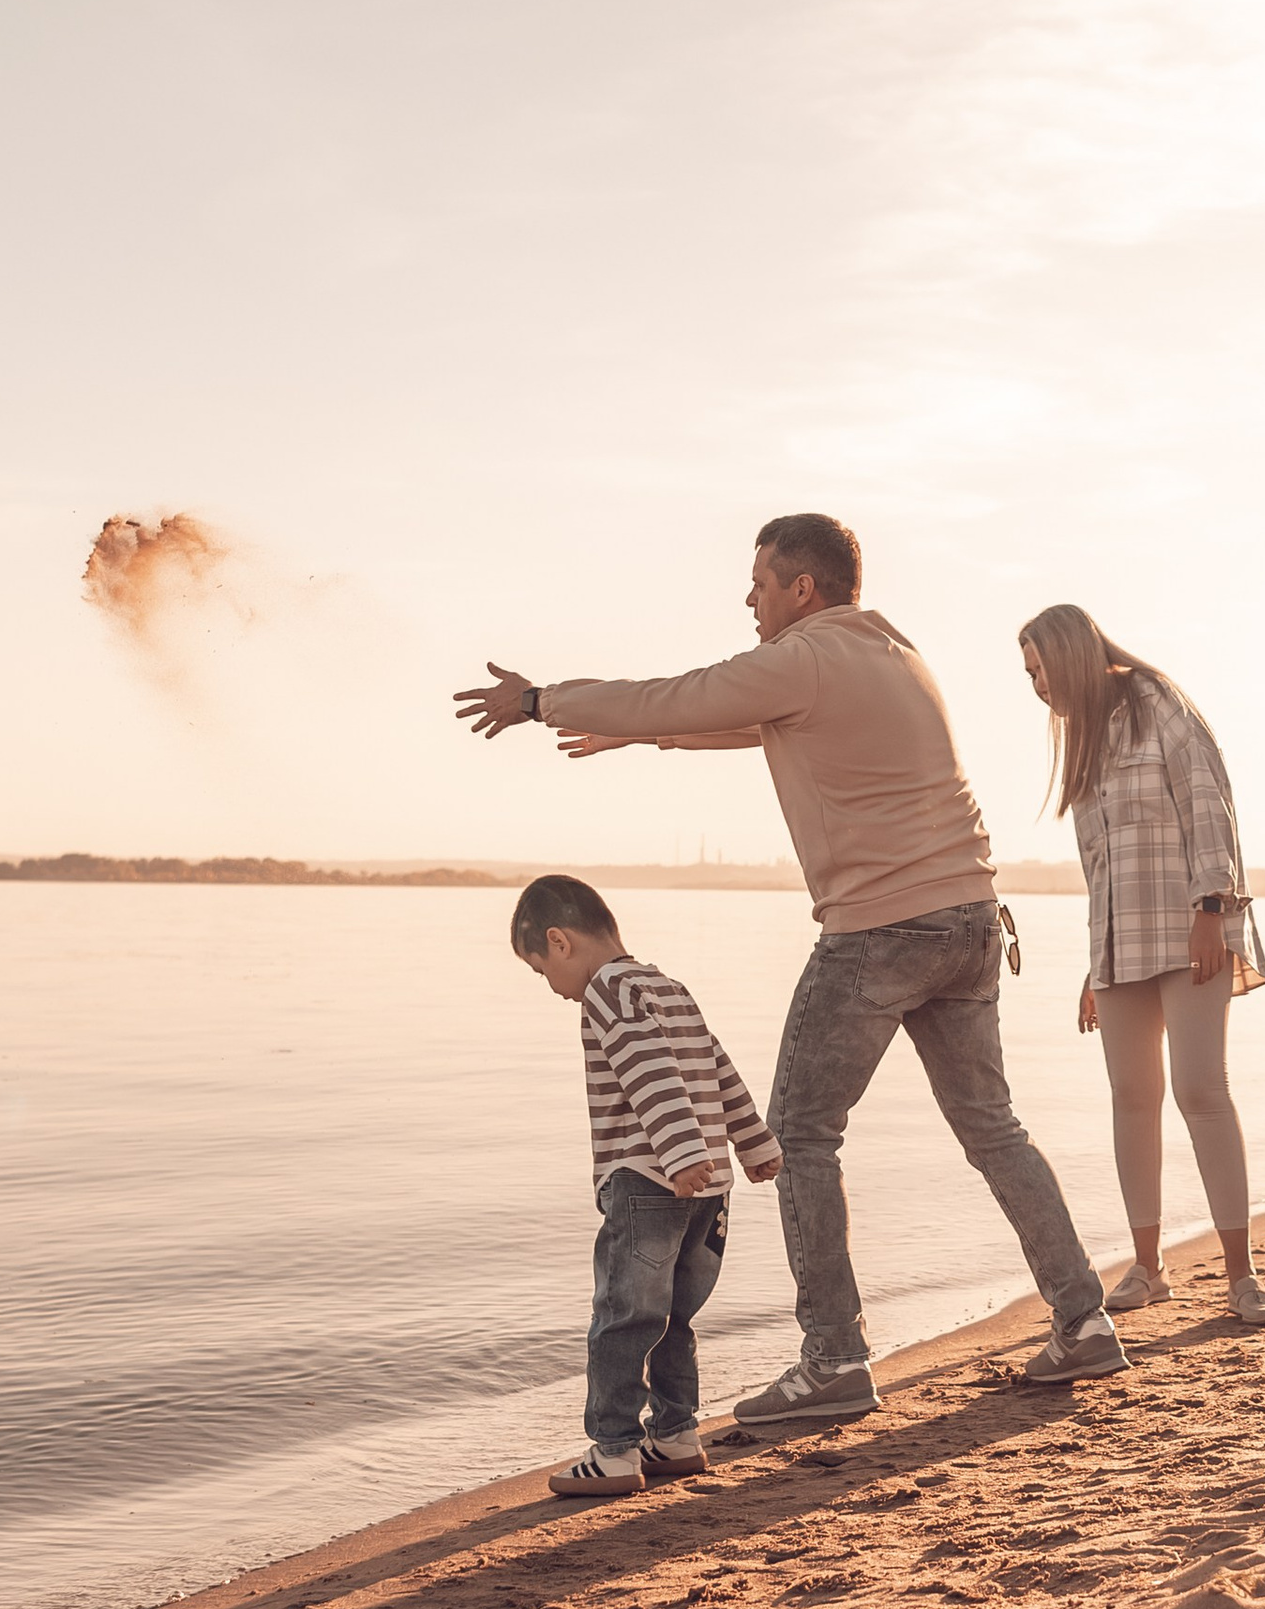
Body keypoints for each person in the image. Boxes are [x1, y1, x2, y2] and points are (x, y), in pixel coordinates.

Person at [456, 513, 1125, 1413]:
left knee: (798, 1136)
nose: (750, 597)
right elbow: (743, 723)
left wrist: (542, 702)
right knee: (993, 1129)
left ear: (801, 588)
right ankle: (1084, 1320)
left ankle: (835, 1360)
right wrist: (647, 736)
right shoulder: (888, 651)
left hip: (881, 930)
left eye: (761, 581)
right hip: (968, 920)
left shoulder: (803, 656)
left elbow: (689, 693)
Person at [1017, 603, 1265, 1331]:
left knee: (1202, 1091)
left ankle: (1242, 1277)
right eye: (1029, 676)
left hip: (1187, 923)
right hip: (1119, 941)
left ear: (1072, 654)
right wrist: (1092, 961)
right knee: (1131, 1098)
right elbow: (1099, 861)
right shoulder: (1082, 739)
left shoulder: (1155, 700)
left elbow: (1208, 804)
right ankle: (1148, 1268)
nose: (1037, 687)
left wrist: (1212, 908)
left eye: (1040, 670)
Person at [510, 873, 782, 1497]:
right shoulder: (668, 986)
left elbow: (650, 1073)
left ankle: (613, 1451)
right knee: (675, 1317)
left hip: (651, 1178)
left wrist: (679, 1152)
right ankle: (676, 1435)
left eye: (540, 971)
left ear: (559, 942)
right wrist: (754, 1142)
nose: (552, 989)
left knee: (624, 1317)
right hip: (708, 1186)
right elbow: (718, 1067)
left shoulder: (608, 991)